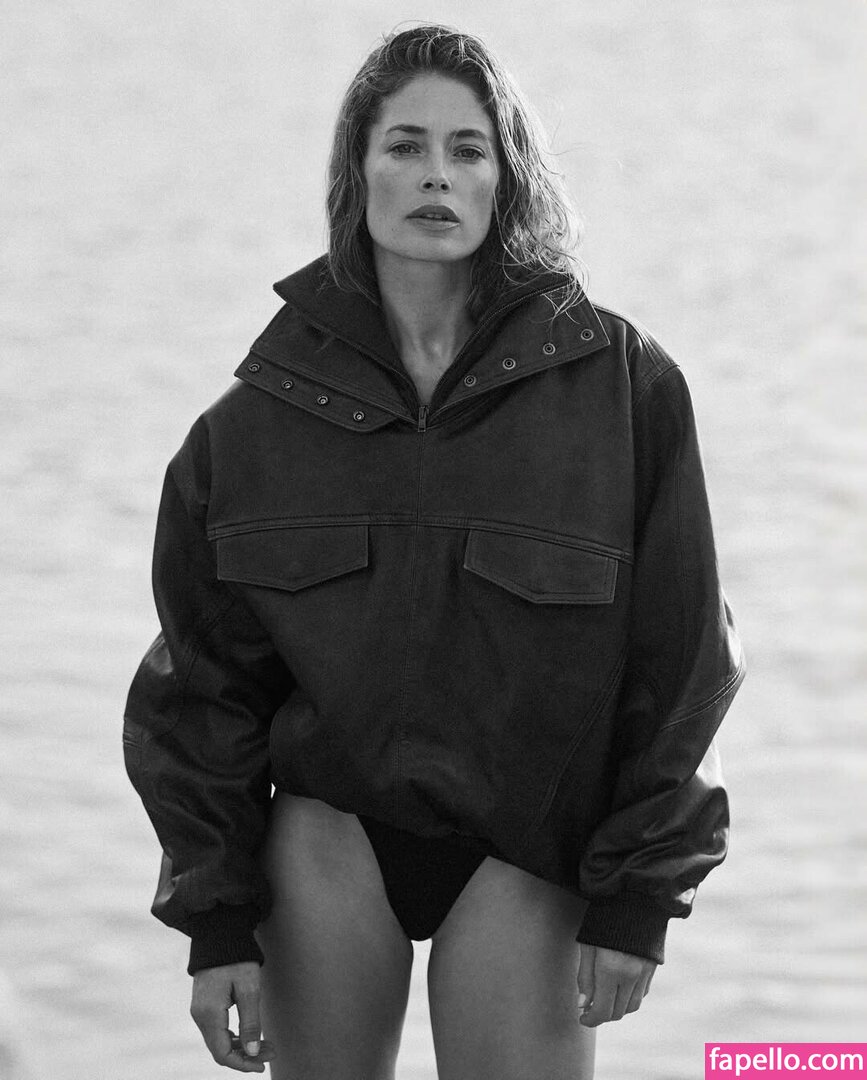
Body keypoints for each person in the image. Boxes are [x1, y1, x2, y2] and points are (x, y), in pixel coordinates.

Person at [123, 24, 745, 1080]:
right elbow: (201, 690)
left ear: (507, 179)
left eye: (467, 150)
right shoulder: (254, 424)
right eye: (404, 146)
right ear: (355, 172)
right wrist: (216, 924)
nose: (436, 176)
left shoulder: (622, 388)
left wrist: (641, 894)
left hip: (530, 844)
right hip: (328, 840)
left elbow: (683, 658)